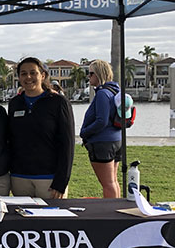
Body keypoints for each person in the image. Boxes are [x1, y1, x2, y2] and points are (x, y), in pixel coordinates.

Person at [8, 57, 74, 199]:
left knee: (50, 221)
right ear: (19, 77)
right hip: (20, 178)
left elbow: (67, 143)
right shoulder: (15, 103)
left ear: (42, 75)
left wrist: (61, 181)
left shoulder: (58, 102)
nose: (28, 77)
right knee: (22, 220)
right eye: (24, 74)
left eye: (33, 72)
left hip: (49, 179)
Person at [79, 60, 122, 198]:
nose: (88, 76)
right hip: (116, 139)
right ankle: (115, 209)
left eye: (91, 73)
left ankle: (111, 213)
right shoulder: (115, 91)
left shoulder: (103, 94)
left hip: (103, 143)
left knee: (108, 183)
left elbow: (101, 121)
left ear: (99, 74)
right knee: (113, 181)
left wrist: (84, 133)